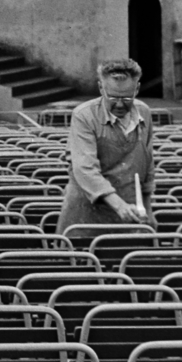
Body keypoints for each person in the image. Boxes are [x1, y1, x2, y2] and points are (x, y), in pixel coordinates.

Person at [58, 59, 154, 232]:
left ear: (137, 89)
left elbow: (147, 165)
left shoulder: (144, 112)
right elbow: (85, 168)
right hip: (86, 212)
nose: (119, 104)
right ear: (101, 88)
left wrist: (148, 208)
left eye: (127, 97)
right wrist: (119, 206)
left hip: (129, 210)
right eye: (112, 97)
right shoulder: (83, 115)